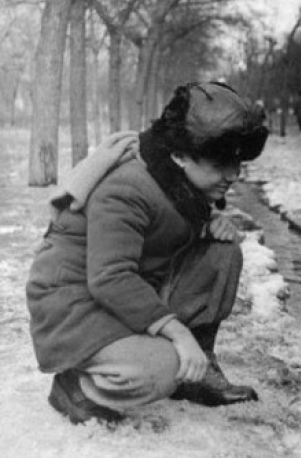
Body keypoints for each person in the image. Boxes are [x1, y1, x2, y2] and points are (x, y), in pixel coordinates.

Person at [26, 81, 270, 425]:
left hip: (119, 289)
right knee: (163, 367)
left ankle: (198, 368)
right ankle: (77, 387)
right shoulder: (126, 187)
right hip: (74, 303)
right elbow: (110, 277)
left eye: (236, 162)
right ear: (179, 155)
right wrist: (178, 333)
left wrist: (209, 220)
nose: (233, 175)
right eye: (219, 164)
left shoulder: (171, 173)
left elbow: (165, 219)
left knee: (221, 253)